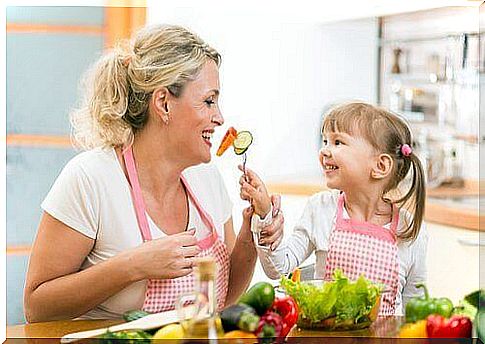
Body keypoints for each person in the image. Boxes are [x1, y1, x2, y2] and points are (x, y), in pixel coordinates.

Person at [23, 24, 284, 322]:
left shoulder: (207, 178)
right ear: (163, 104)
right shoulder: (90, 178)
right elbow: (37, 306)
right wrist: (133, 265)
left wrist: (252, 231)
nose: (220, 117)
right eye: (209, 101)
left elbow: (223, 298)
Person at [240, 102, 428, 316]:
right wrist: (264, 216)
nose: (324, 150)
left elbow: (414, 311)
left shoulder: (411, 232)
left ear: (380, 166)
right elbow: (278, 268)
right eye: (325, 141)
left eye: (338, 142)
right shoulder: (320, 209)